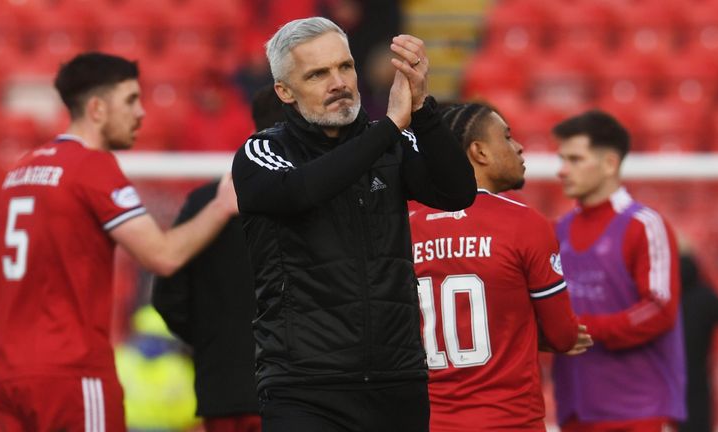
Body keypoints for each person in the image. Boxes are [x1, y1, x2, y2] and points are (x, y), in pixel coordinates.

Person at [231, 17, 477, 432]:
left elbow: (456, 193)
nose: (339, 82)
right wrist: (389, 128)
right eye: (318, 74)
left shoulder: (388, 141)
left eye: (345, 67)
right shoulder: (265, 150)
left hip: (396, 381)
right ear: (284, 91)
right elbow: (301, 191)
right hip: (306, 388)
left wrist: (421, 108)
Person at [0, 52, 238, 432]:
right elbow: (163, 256)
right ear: (98, 109)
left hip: (7, 376)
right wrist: (221, 206)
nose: (142, 114)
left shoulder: (17, 171)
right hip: (72, 374)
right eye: (132, 100)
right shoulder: (93, 167)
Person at [409, 102, 591, 431]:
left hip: (430, 421)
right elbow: (563, 336)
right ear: (479, 152)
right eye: (506, 137)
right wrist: (521, 330)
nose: (519, 146)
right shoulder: (523, 222)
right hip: (509, 420)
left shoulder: (405, 223)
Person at [152, 86, 284, 432]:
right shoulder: (315, 197)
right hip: (297, 393)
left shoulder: (203, 201)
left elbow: (167, 295)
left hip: (224, 390)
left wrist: (214, 340)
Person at [552, 110, 686, 431]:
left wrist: (580, 329)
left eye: (574, 159)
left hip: (637, 409)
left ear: (610, 163)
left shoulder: (644, 225)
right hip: (575, 407)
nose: (562, 171)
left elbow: (659, 308)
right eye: (562, 159)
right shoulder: (560, 229)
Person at [114, 305, 199, 431]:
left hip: (126, 426)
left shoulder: (120, 357)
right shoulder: (181, 366)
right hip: (170, 427)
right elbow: (194, 410)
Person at [678, 250, 718, 432]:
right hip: (699, 363)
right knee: (698, 408)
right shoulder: (704, 296)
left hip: (670, 364)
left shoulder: (669, 297)